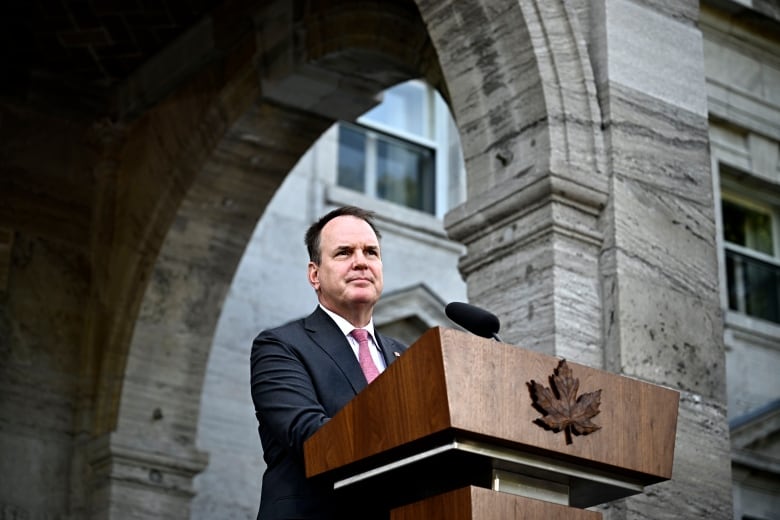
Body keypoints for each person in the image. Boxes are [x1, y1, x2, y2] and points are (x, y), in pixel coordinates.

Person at [250, 205, 408, 519]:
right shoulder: (281, 346)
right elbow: (313, 438)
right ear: (315, 274)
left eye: (371, 252)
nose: (361, 262)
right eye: (344, 253)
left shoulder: (408, 357)